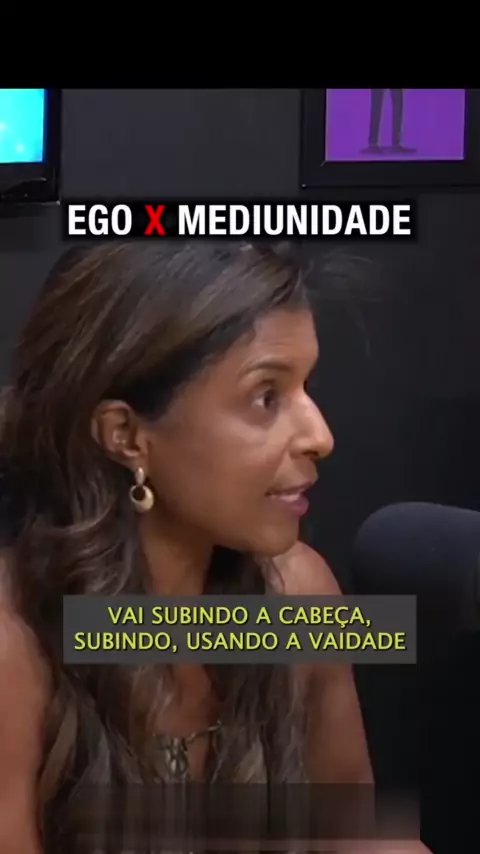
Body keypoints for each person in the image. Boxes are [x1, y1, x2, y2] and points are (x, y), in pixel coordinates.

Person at [0, 241, 430, 853]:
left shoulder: (299, 593)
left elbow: (355, 837)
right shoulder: (15, 646)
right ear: (125, 435)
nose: (320, 435)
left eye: (306, 387)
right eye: (266, 397)